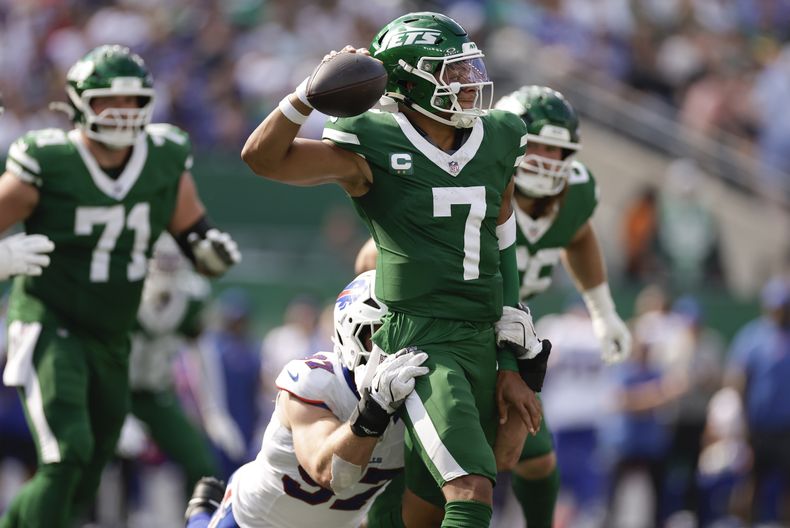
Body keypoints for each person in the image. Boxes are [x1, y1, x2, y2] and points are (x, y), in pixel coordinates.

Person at [241, 12, 546, 527]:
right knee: (470, 488)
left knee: (446, 493)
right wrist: (303, 98)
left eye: (468, 69)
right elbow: (263, 159)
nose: (468, 84)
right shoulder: (371, 143)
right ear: (407, 85)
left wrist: (513, 356)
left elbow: (501, 236)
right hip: (422, 337)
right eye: (449, 73)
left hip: (482, 332)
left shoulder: (499, 135)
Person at [356, 85, 632, 527]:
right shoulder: (470, 185)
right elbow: (377, 256)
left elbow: (577, 234)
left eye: (559, 151)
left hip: (505, 333)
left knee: (529, 456)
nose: (547, 160)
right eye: (538, 146)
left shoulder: (574, 192)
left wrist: (602, 309)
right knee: (430, 474)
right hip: (438, 334)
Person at [0, 44, 240, 528]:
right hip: (51, 321)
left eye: (133, 102)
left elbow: (192, 228)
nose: (124, 113)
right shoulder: (48, 158)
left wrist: (206, 249)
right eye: (110, 100)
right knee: (67, 454)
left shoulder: (165, 155)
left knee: (89, 469)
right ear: (79, 103)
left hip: (113, 337)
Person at [184, 270, 429, 528]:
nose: (391, 352)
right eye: (378, 336)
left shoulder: (420, 396)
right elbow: (330, 472)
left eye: (404, 337)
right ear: (351, 334)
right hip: (255, 521)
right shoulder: (316, 380)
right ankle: (199, 517)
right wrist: (375, 408)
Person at [121, 234, 245, 495]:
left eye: (172, 257)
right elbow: (105, 349)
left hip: (157, 394)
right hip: (115, 391)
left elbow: (202, 353)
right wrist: (117, 410)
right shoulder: (126, 287)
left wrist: (214, 412)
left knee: (201, 465)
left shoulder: (192, 296)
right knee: (92, 462)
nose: (166, 266)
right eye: (161, 257)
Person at [725, 276, 790, 524]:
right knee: (750, 485)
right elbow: (737, 378)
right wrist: (741, 424)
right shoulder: (753, 336)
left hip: (787, 429)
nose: (780, 311)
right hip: (758, 428)